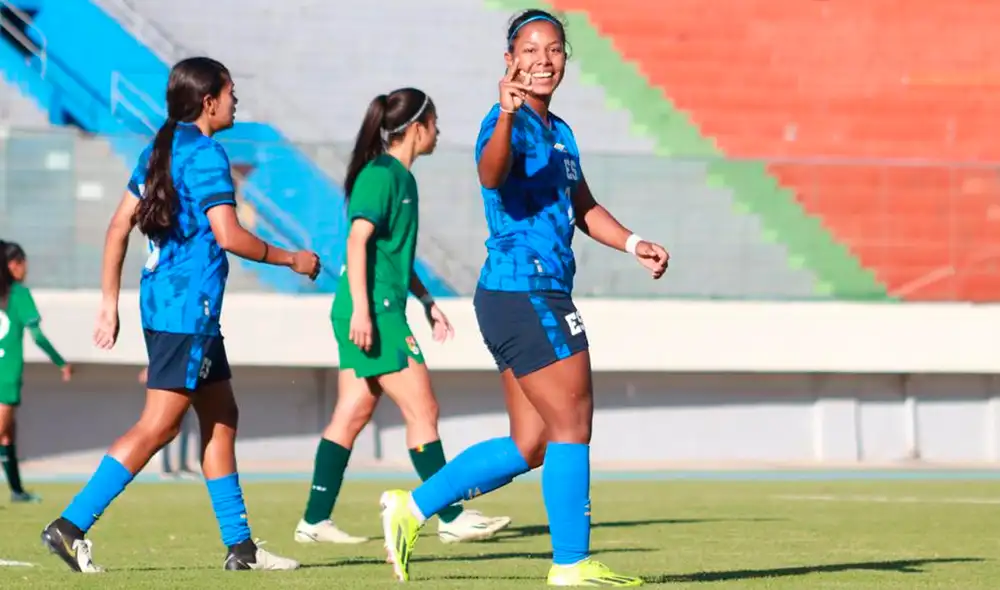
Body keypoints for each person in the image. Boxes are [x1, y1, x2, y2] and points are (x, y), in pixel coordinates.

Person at [378, 9, 669, 586]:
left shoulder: (561, 132)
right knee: (573, 422)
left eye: (554, 49)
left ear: (565, 59)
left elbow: (582, 207)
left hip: (517, 294)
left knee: (531, 441)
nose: (543, 60)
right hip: (526, 289)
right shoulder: (500, 121)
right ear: (509, 61)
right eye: (531, 50)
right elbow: (491, 173)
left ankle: (411, 509)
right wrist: (508, 115)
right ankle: (571, 563)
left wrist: (633, 242)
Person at [40, 56, 320, 573]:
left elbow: (117, 228)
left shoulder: (157, 151)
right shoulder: (208, 155)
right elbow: (230, 236)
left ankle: (241, 549)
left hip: (170, 307)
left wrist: (110, 304)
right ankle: (70, 525)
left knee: (221, 417)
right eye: (232, 92)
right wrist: (294, 259)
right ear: (209, 101)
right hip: (187, 310)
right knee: (158, 426)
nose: (238, 101)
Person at [294, 88, 511, 546]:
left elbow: (391, 255)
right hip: (374, 311)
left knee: (352, 413)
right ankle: (449, 514)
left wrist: (428, 301)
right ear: (417, 128)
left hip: (380, 306)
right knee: (423, 408)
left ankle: (314, 521)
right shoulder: (381, 175)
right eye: (435, 122)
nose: (439, 131)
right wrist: (363, 312)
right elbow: (357, 242)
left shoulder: (402, 179)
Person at [0, 241, 72, 503]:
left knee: (8, 434)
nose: (26, 269)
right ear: (12, 265)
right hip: (5, 374)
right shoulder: (19, 294)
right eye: (23, 263)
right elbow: (38, 336)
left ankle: (17, 491)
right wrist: (60, 362)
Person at [138, 367, 199, 479]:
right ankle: (166, 469)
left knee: (184, 432)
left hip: (184, 394)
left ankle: (183, 467)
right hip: (168, 397)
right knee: (166, 432)